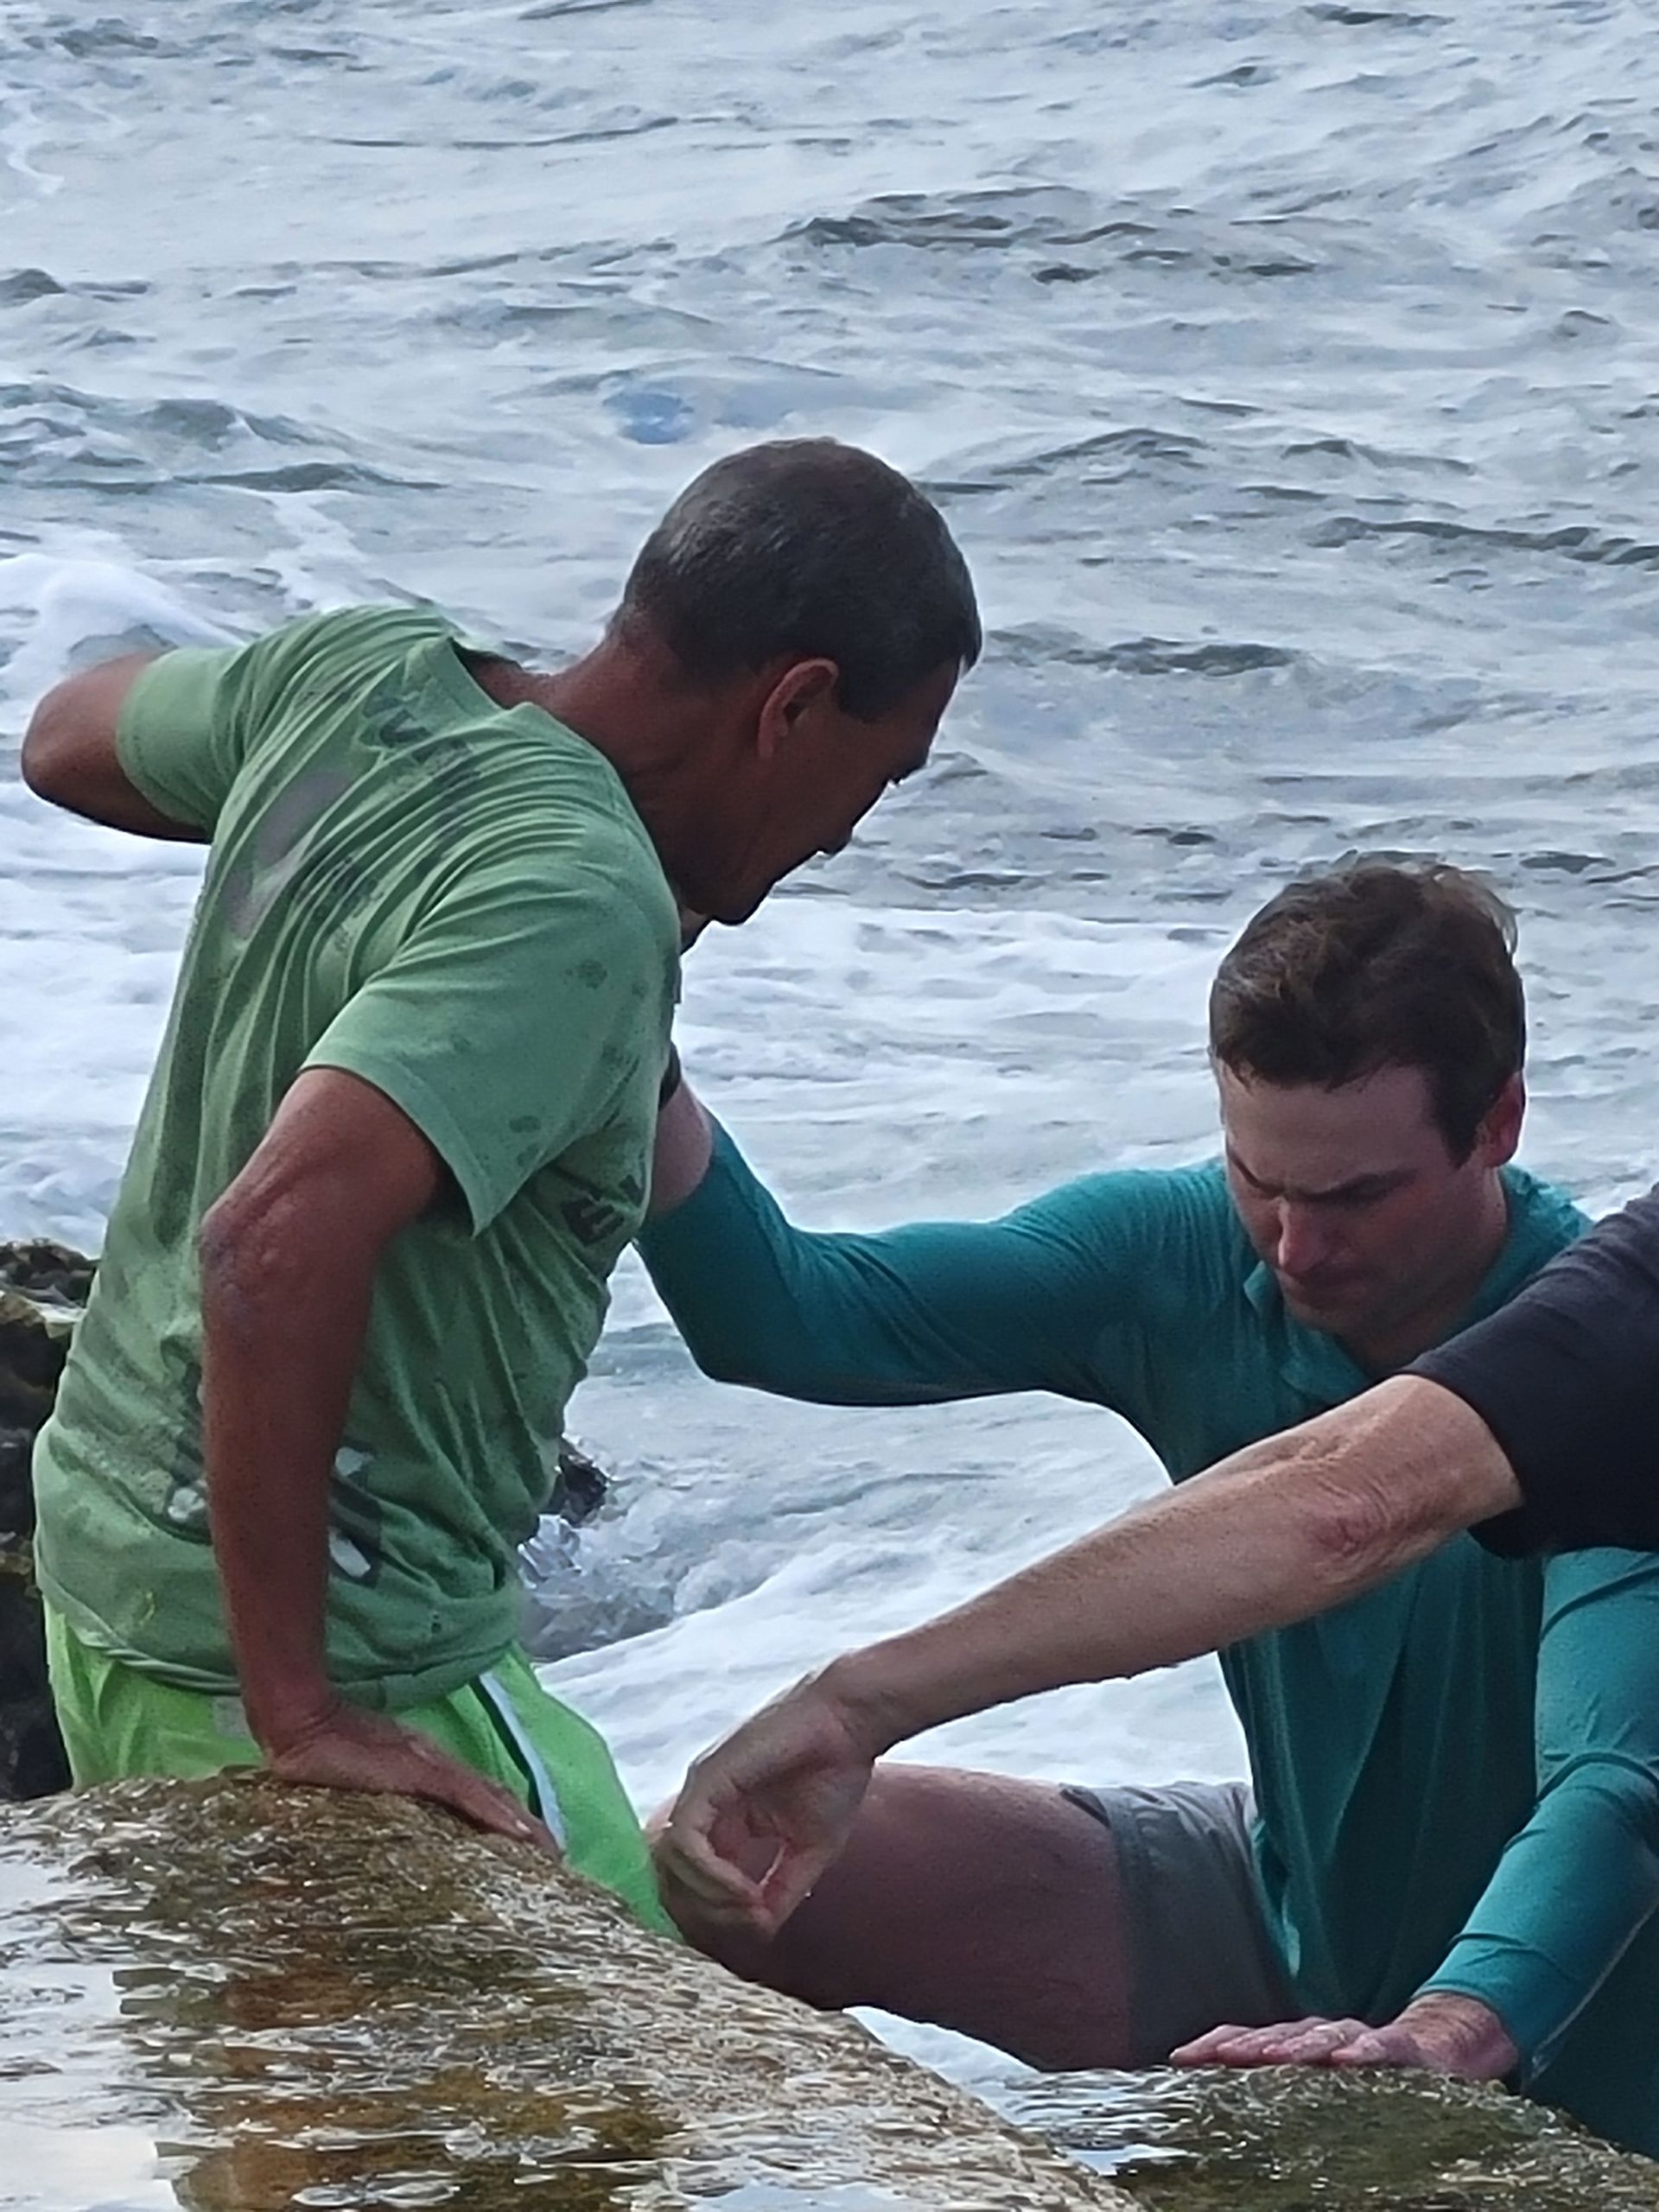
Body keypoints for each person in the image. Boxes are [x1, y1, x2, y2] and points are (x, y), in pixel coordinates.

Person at [21, 437, 979, 1931]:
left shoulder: (359, 682)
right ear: (793, 704)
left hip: (109, 1579)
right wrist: (302, 1713)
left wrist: (334, 845)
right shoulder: (576, 900)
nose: (852, 828)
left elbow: (64, 737)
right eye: (882, 770)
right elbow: (271, 1238)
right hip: (340, 1659)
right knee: (639, 2063)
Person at [643, 861, 1659, 2153]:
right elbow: (792, 1318)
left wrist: (1450, 2026)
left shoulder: (1604, 1360)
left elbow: (1617, 1786)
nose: (1295, 1247)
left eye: (1356, 1197)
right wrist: (628, 1044)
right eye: (1258, 1177)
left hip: (1586, 1995)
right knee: (731, 1859)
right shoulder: (1177, 1253)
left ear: (1497, 1122)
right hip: (1289, 1907)